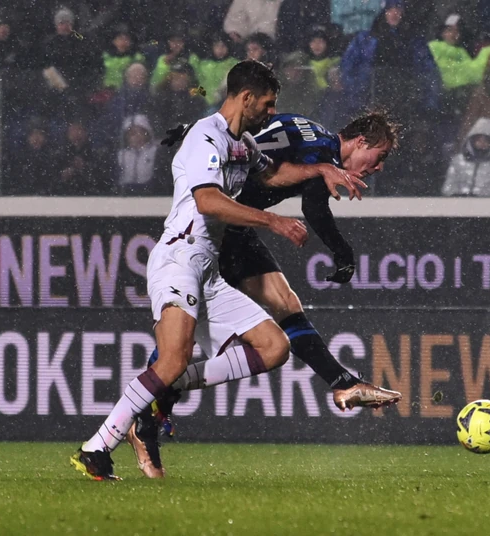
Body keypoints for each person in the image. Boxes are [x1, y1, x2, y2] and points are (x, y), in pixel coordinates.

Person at [70, 60, 364, 481]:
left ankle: (162, 388)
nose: (271, 112)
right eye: (267, 104)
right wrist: (273, 221)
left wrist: (321, 168)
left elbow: (274, 173)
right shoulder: (205, 136)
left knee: (274, 348)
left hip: (207, 272)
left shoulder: (242, 142)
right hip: (179, 259)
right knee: (173, 358)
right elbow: (207, 200)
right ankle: (97, 447)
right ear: (246, 97)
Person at [128, 109, 402, 478]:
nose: (379, 167)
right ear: (360, 142)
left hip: (235, 226)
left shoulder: (308, 130)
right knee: (184, 340)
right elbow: (313, 207)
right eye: (379, 156)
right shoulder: (322, 151)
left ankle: (343, 383)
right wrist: (342, 252)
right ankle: (144, 416)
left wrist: (194, 129)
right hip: (214, 226)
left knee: (281, 304)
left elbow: (249, 133)